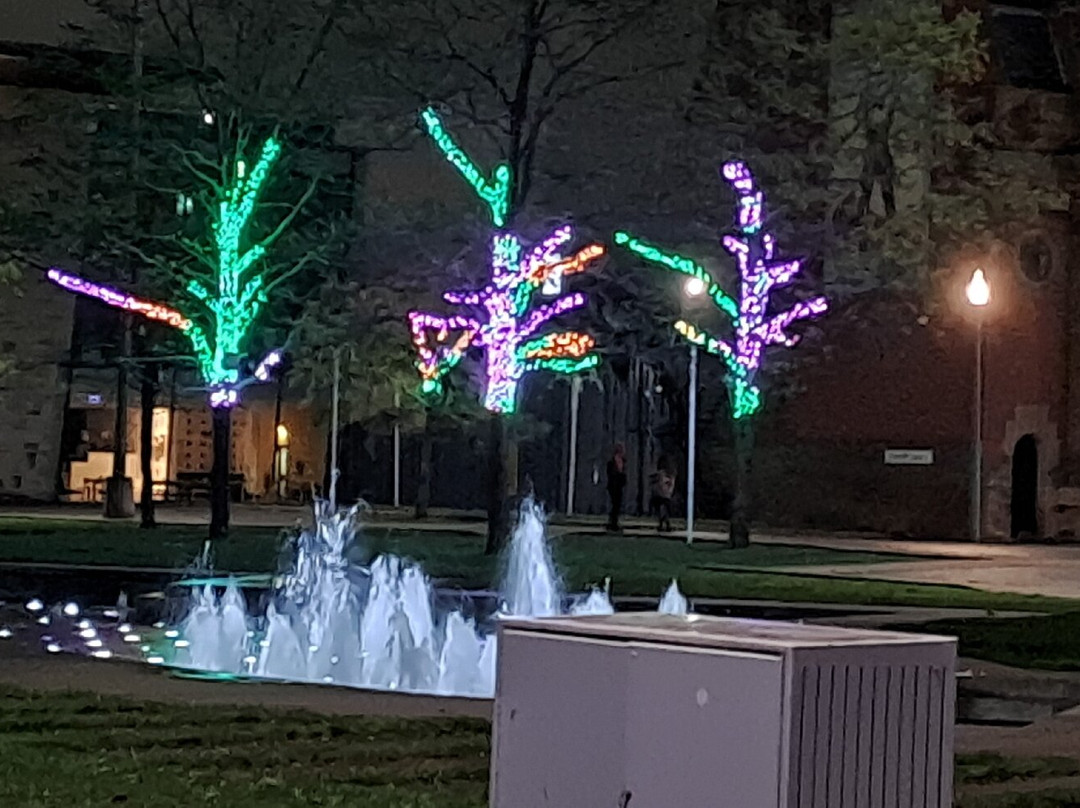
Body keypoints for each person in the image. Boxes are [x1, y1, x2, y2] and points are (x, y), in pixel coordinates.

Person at [606, 443, 627, 532]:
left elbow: (623, 472)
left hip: (619, 485)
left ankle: (613, 522)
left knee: (617, 505)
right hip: (613, 485)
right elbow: (611, 474)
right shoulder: (611, 462)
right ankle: (613, 523)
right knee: (615, 504)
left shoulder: (623, 461)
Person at [650, 461, 675, 533]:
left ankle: (664, 524)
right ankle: (664, 524)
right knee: (662, 510)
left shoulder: (668, 476)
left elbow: (669, 484)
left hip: (665, 495)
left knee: (664, 510)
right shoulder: (661, 474)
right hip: (661, 494)